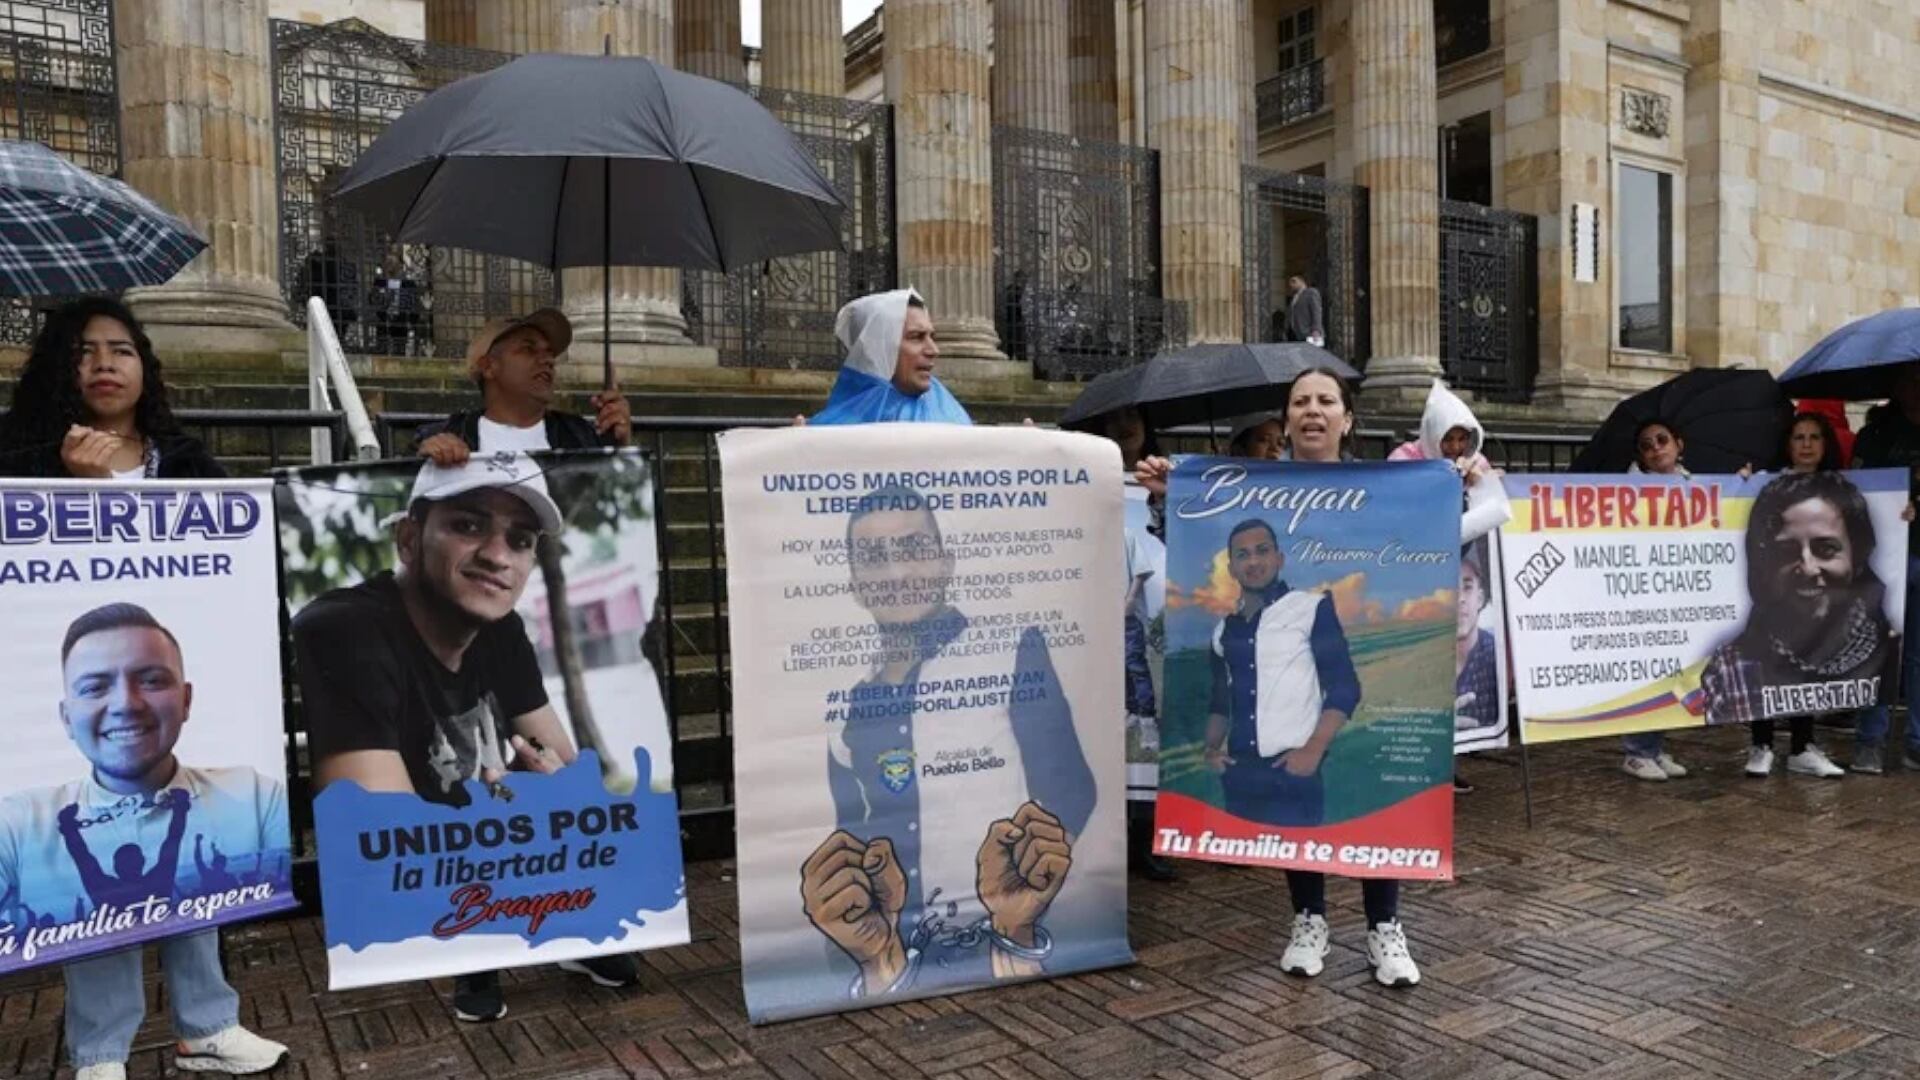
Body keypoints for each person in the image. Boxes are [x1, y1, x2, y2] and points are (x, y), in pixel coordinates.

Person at [291, 454, 636, 1021]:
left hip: (469, 838)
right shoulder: (345, 629)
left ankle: (574, 940)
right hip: (409, 880)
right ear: (408, 538)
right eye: (468, 525)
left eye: (520, 539)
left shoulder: (501, 629)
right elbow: (382, 843)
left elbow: (573, 776)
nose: (498, 556)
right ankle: (477, 961)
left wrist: (550, 794)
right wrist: (527, 806)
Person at [798, 485, 1093, 1001]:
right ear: (856, 584)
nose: (895, 574)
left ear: (946, 561)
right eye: (873, 558)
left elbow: (1071, 794)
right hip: (894, 958)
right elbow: (852, 829)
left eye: (912, 550)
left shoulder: (1009, 651)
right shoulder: (846, 699)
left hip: (1003, 942)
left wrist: (1020, 907)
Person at [0, 605, 289, 1079]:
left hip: (181, 806)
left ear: (186, 698)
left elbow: (175, 845)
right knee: (91, 918)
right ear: (65, 715)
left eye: (151, 679)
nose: (126, 703)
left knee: (201, 898)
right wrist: (72, 830)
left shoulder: (247, 795)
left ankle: (207, 1030)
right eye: (95, 687)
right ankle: (99, 1056)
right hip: (88, 833)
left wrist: (177, 816)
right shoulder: (21, 820)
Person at [1701, 468, 1890, 779]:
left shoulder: (1884, 644)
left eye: (1826, 549)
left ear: (1857, 556)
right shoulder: (1728, 670)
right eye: (1787, 550)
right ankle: (1762, 746)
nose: (1807, 566)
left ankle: (1803, 749)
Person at [1389, 379, 1513, 792]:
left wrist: (1481, 483)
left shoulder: (1476, 465)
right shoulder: (1403, 460)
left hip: (1455, 578)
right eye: (1449, 438)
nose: (1457, 447)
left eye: (1464, 438)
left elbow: (1492, 512)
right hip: (1414, 584)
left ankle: (1449, 762)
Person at [1738, 414, 1854, 778]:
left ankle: (1803, 746)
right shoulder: (1768, 485)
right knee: (1769, 666)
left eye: (1814, 437)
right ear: (1787, 444)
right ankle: (1762, 745)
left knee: (1807, 665)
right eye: (1798, 437)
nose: (1806, 444)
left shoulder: (1841, 488)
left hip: (1819, 596)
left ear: (1825, 443)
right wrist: (1739, 484)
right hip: (1776, 592)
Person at [0, 297, 221, 479]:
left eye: (122, 351)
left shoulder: (189, 462)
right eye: (84, 352)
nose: (104, 364)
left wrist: (103, 487)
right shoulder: (14, 457)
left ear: (145, 367)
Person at [415, 308, 631, 465]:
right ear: (489, 367)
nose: (547, 360)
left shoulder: (581, 439)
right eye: (529, 349)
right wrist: (421, 466)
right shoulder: (447, 436)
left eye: (549, 353)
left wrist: (620, 449)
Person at [1850, 365, 1920, 774]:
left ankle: (1915, 741)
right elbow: (1854, 490)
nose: (1916, 388)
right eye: (1909, 379)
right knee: (1878, 652)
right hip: (1882, 559)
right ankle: (1869, 741)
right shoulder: (1875, 434)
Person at [1618, 419, 1692, 782]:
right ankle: (1636, 750)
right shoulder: (1629, 489)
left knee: (1670, 674)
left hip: (1677, 591)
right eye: (1647, 445)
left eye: (1662, 440)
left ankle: (1654, 746)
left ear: (1679, 444)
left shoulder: (1696, 485)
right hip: (1643, 593)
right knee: (1647, 673)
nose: (1656, 448)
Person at [809, 288, 972, 426]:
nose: (933, 350)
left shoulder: (948, 413)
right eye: (916, 337)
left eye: (931, 337)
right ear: (879, 349)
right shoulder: (829, 431)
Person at [1454, 543, 1500, 734]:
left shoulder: (1496, 657)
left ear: (1480, 599)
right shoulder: (1420, 662)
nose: (1459, 599)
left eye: (1467, 587)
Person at [1274, 275, 1325, 347]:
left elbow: (1316, 312)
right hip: (1293, 334)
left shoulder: (1311, 292)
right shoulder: (1294, 297)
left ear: (1302, 281)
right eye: (1290, 282)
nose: (1291, 284)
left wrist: (1316, 330)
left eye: (1294, 281)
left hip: (1307, 333)